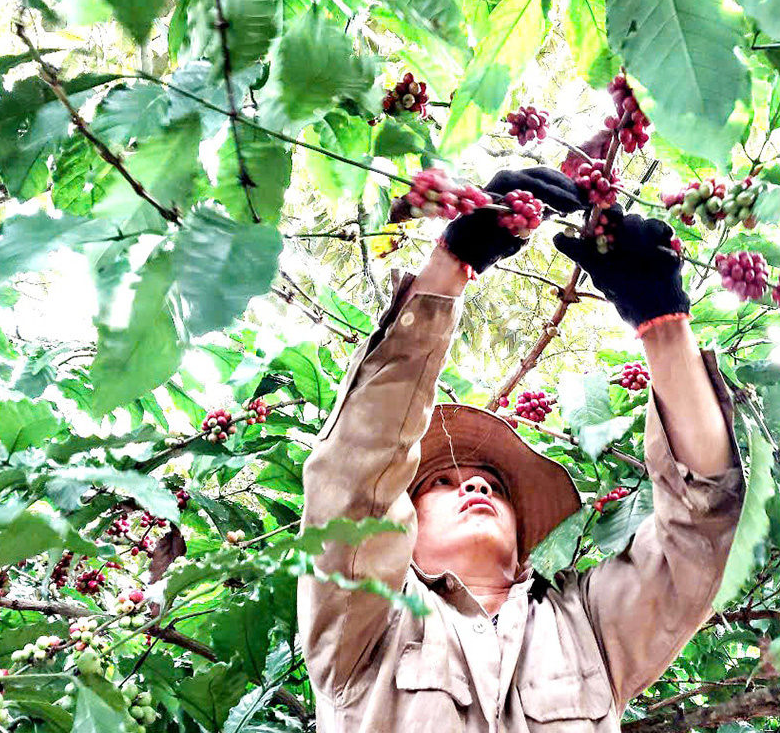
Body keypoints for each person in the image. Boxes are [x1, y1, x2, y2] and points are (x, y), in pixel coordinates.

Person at [297, 167, 746, 731]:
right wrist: (449, 266)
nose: (477, 485)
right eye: (440, 482)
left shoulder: (590, 628)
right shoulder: (364, 623)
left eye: (497, 487)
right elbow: (356, 468)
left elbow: (703, 527)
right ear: (400, 533)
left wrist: (663, 325)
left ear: (523, 545)